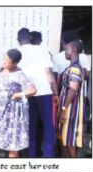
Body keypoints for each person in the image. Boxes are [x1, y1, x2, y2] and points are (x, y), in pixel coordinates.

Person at [17, 28, 58, 158]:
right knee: (48, 127)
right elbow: (49, 73)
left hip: (26, 94)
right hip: (44, 93)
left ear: (18, 40)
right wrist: (56, 93)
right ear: (30, 37)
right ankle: (47, 157)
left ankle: (31, 157)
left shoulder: (16, 52)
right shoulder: (41, 49)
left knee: (31, 128)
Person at [0, 49, 37, 157]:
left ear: (15, 63)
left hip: (13, 113)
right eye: (3, 59)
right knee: (4, 140)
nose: (4, 62)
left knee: (13, 142)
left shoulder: (19, 74)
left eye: (7, 61)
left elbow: (33, 90)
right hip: (1, 111)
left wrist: (18, 95)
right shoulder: (2, 70)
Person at [57, 40, 89, 158]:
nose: (65, 52)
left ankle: (74, 165)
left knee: (69, 137)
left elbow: (73, 89)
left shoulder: (75, 69)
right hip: (68, 106)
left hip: (71, 108)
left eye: (67, 50)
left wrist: (64, 108)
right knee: (65, 136)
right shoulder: (73, 67)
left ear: (74, 51)